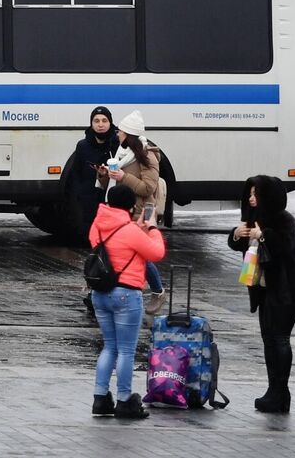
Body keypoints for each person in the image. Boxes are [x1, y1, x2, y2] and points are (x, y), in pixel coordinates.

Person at [228, 175, 295, 413]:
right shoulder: (254, 219)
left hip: (286, 289)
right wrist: (236, 234)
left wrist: (262, 236)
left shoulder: (285, 220)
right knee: (268, 340)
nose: (252, 199)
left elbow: (284, 247)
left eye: (256, 194)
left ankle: (281, 392)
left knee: (280, 338)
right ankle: (273, 390)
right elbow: (240, 245)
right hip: (264, 288)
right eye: (250, 194)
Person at [86, 182, 162, 420]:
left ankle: (100, 398)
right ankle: (124, 400)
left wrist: (135, 229)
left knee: (109, 346)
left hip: (100, 294)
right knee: (126, 351)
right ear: (131, 206)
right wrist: (152, 229)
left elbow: (115, 244)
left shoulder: (97, 226)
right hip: (127, 295)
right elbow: (156, 253)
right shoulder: (130, 231)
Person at [95, 111, 165, 303]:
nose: (117, 134)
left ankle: (157, 292)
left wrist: (123, 177)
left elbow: (148, 187)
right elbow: (113, 182)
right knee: (126, 251)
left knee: (140, 253)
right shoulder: (122, 153)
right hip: (123, 209)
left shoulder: (148, 156)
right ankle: (113, 287)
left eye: (120, 131)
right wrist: (104, 174)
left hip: (142, 210)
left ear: (128, 134)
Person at [64, 105, 118, 245]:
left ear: (110, 122)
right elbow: (76, 173)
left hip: (110, 199)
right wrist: (79, 196)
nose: (100, 125)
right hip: (88, 200)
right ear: (91, 123)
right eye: (96, 121)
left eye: (104, 121)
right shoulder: (83, 145)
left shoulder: (117, 144)